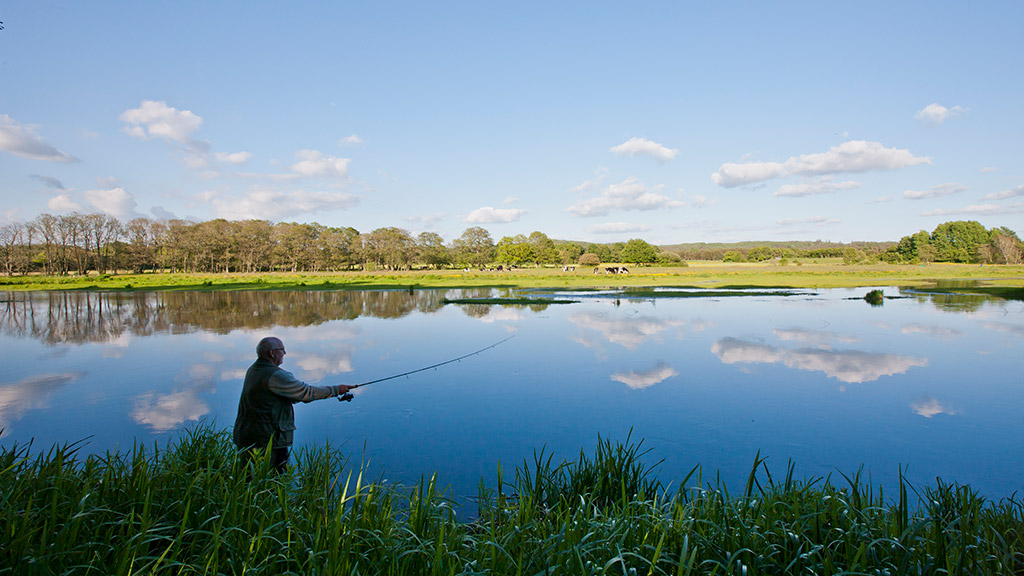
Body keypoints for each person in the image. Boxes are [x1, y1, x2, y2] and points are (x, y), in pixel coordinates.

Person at [233, 336, 351, 473]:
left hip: (248, 435)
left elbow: (284, 395)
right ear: (272, 353)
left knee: (250, 477)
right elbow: (307, 393)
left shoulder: (254, 370)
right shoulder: (276, 375)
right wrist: (337, 390)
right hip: (267, 440)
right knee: (271, 479)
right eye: (282, 350)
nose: (285, 353)